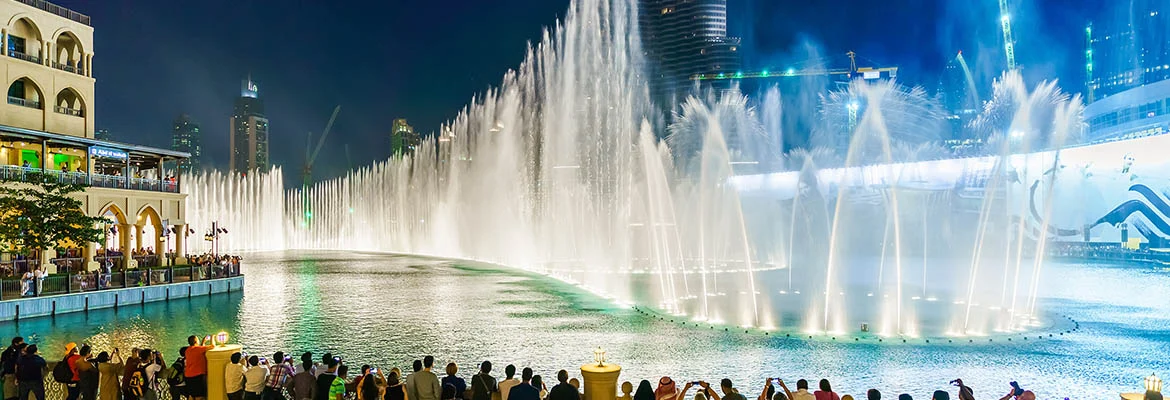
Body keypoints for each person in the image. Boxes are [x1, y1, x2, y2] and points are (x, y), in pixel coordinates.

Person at [185, 335, 214, 400]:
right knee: (200, 396)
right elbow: (212, 346)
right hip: (197, 376)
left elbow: (199, 350)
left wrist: (203, 342)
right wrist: (212, 337)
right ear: (196, 341)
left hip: (188, 377)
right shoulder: (198, 349)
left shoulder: (187, 350)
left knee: (192, 395)